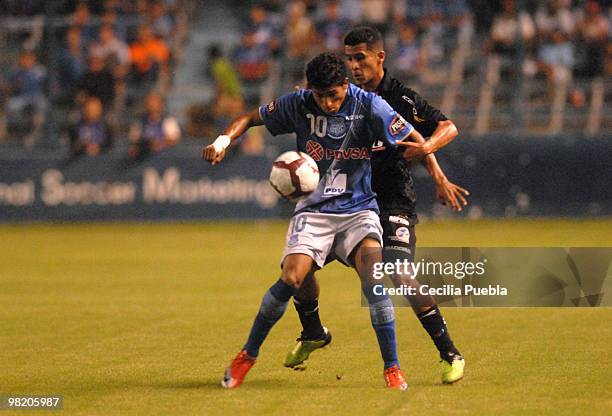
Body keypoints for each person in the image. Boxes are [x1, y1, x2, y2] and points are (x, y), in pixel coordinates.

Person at [203, 52, 428, 390]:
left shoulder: (369, 105)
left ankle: (392, 367)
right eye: (320, 95)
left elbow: (416, 139)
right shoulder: (299, 103)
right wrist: (222, 141)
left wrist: (435, 174)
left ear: (345, 85)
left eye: (333, 95)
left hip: (358, 210)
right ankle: (247, 355)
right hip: (313, 210)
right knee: (292, 277)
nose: (327, 103)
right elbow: (250, 118)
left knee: (373, 275)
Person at [284, 26, 467, 385]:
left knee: (399, 273)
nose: (353, 65)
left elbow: (444, 127)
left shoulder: (398, 97)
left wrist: (434, 164)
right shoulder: (336, 95)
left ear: (379, 58)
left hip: (392, 198)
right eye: (349, 58)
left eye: (360, 58)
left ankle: (449, 352)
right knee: (299, 271)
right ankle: (313, 332)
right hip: (345, 201)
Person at [128, 93, 180, 160]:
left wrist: (159, 143)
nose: (152, 105)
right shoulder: (140, 121)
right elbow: (134, 139)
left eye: (154, 102)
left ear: (161, 104)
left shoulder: (169, 120)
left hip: (164, 156)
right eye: (149, 102)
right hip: (144, 155)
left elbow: (174, 140)